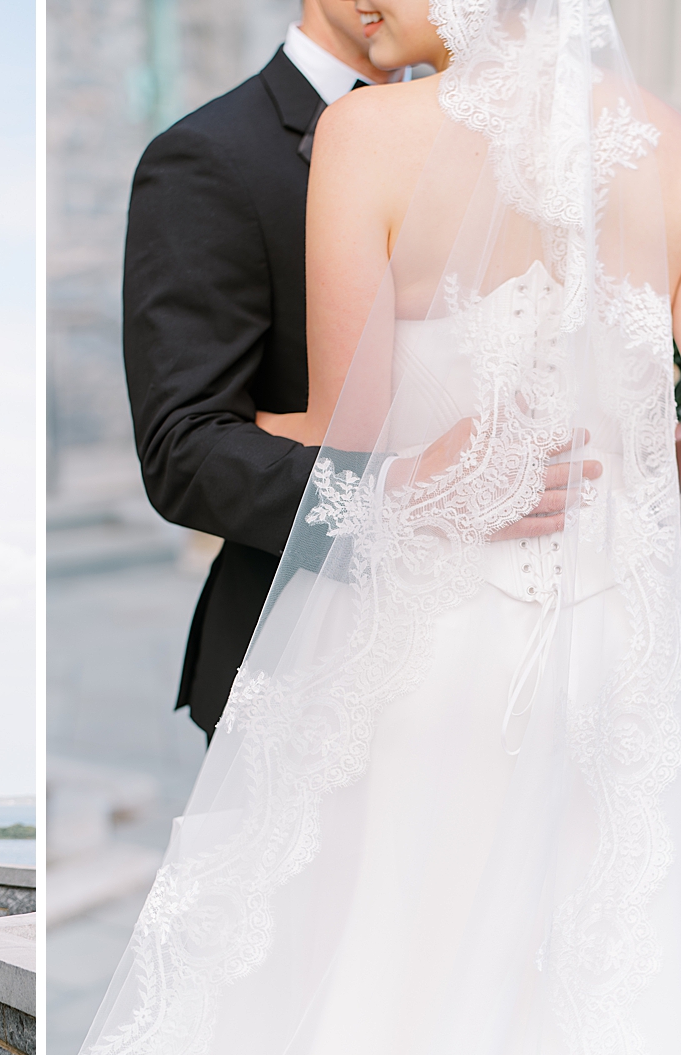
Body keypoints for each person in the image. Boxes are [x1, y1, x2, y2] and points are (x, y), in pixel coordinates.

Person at [50, 1, 681, 1055]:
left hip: (430, 637)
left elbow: (362, 427)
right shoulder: (676, 146)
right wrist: (619, 480)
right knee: (627, 976)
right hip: (636, 641)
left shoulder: (373, 138)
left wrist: (455, 481)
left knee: (391, 971)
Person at [124, 0, 577, 740]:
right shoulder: (209, 156)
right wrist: (402, 491)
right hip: (307, 645)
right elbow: (183, 449)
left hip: (521, 645)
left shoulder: (525, 140)